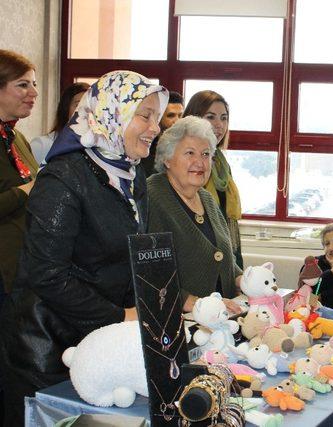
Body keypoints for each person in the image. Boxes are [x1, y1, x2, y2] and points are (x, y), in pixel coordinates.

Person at [0, 70, 168, 425]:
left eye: (157, 116)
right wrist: (119, 316)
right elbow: (46, 274)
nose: (155, 127)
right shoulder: (64, 178)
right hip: (48, 348)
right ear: (112, 112)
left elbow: (132, 258)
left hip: (99, 345)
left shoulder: (131, 177)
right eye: (145, 115)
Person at [148, 115, 243, 314]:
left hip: (219, 318)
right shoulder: (151, 197)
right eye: (190, 153)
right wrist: (192, 303)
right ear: (167, 158)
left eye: (206, 154)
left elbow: (225, 259)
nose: (200, 162)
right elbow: (148, 271)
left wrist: (247, 280)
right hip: (177, 320)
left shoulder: (207, 199)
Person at [183, 90, 243, 268]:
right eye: (211, 117)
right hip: (198, 256)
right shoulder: (183, 162)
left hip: (225, 252)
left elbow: (227, 219)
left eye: (224, 118)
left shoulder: (220, 164)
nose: (219, 125)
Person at [0, 49, 39, 302]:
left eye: (34, 84)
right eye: (23, 85)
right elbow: (29, 189)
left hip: (23, 271)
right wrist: (24, 192)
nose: (34, 93)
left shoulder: (17, 138)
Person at [30, 82, 89, 165]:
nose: (85, 110)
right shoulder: (41, 145)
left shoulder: (96, 148)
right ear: (65, 109)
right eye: (78, 104)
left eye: (89, 104)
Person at [141, 90, 184, 176]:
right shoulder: (146, 149)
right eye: (171, 115)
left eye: (180, 115)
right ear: (159, 118)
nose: (177, 121)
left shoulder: (185, 146)